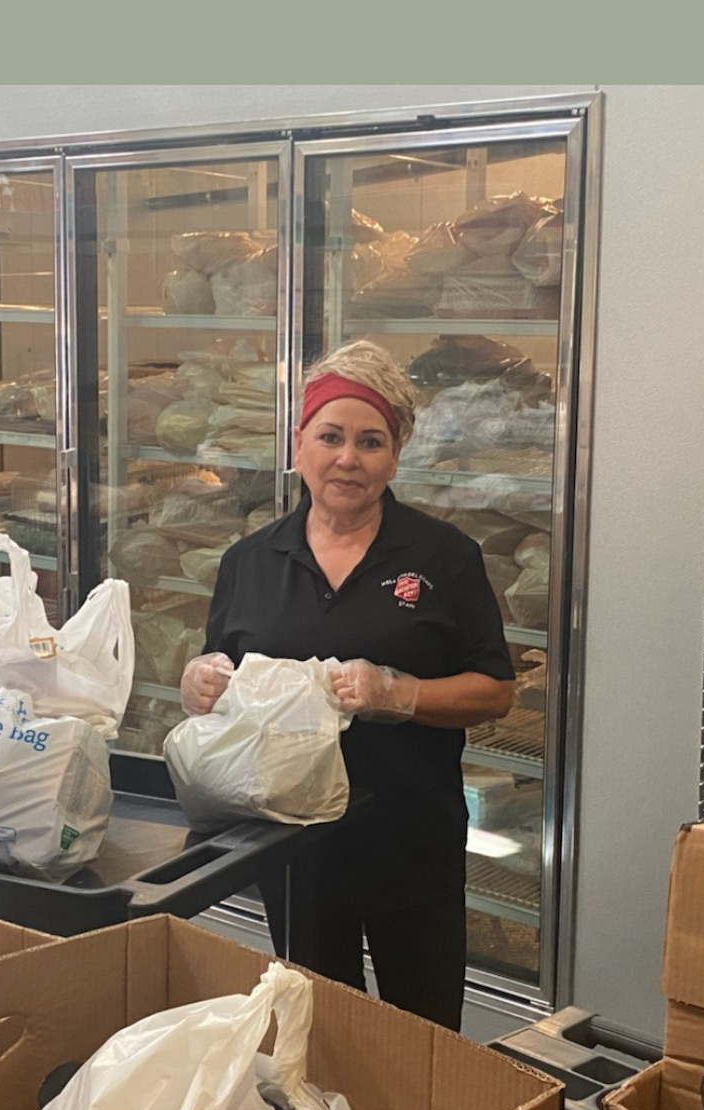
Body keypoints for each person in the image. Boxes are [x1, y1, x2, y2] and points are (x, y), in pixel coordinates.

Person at [179, 340, 514, 1030]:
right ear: (298, 443)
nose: (348, 458)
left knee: (422, 1036)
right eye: (329, 436)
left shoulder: (443, 557)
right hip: (296, 854)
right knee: (317, 1033)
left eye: (371, 441)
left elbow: (494, 689)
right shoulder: (251, 560)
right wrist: (198, 682)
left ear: (395, 456)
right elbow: (220, 671)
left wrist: (404, 694)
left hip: (410, 844)